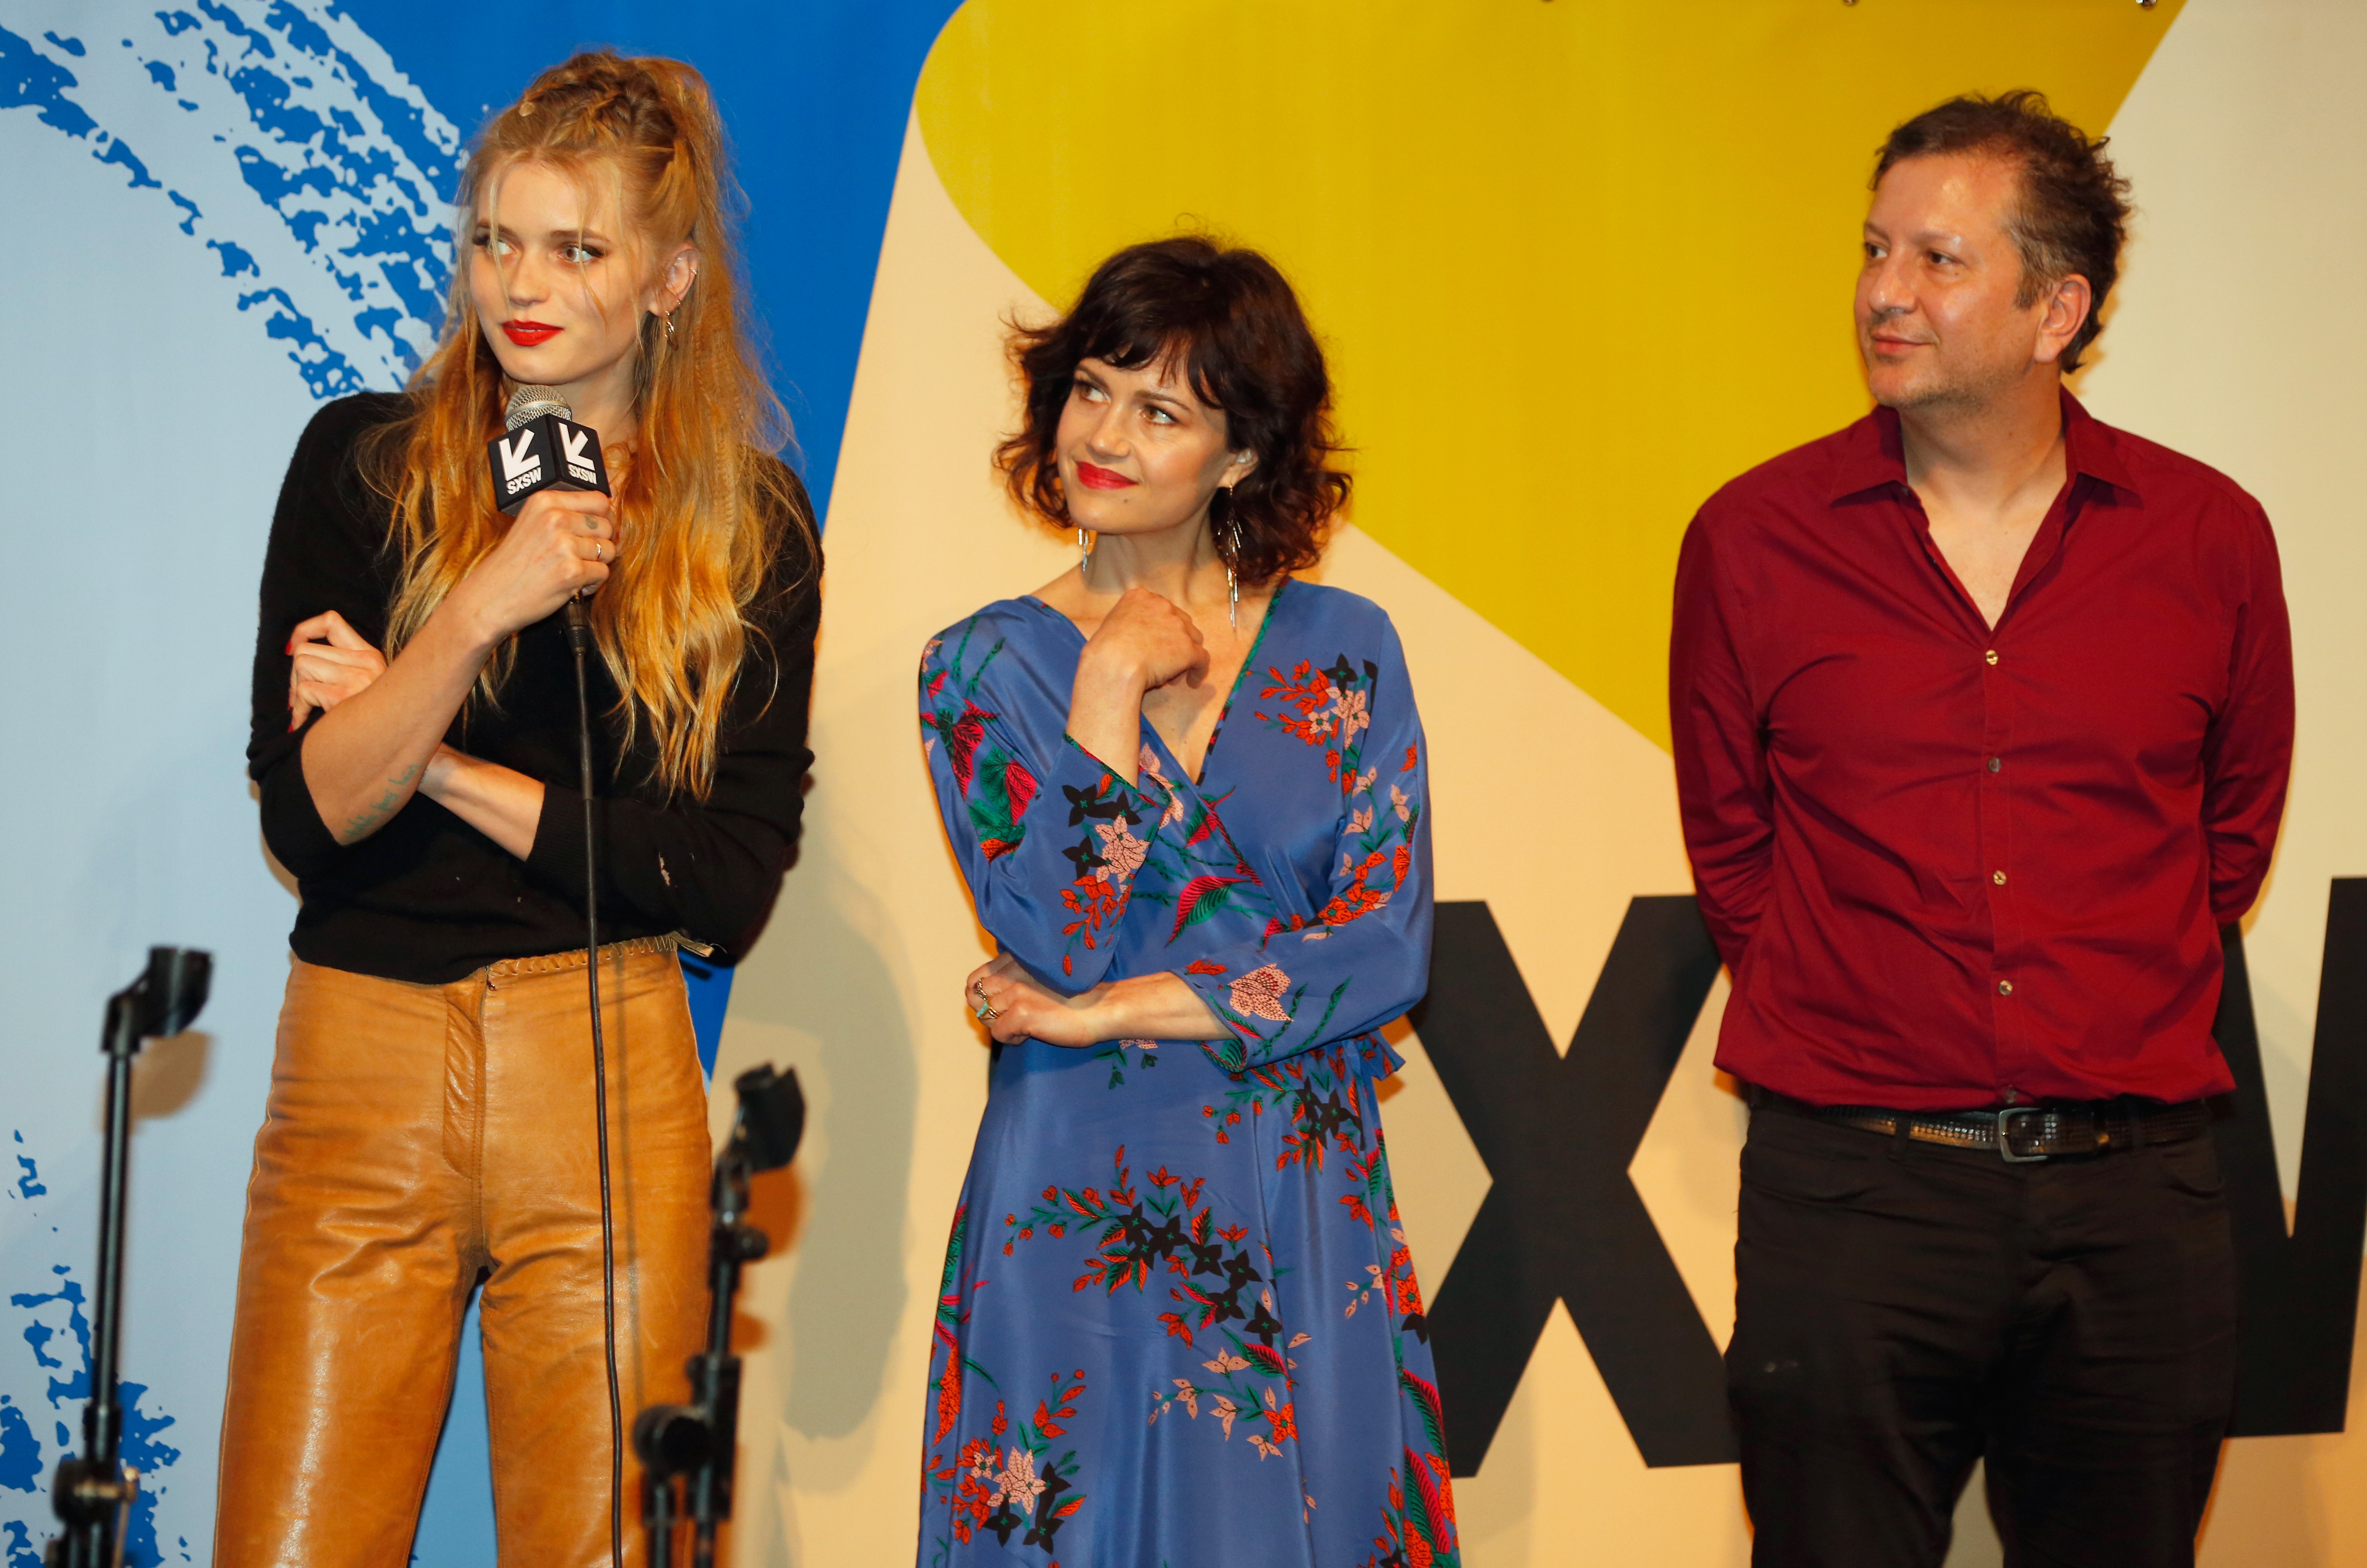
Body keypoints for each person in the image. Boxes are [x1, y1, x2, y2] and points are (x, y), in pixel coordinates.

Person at [1670, 90, 2293, 1567]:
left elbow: (2229, 838)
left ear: (2052, 309)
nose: (1884, 292)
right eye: (1875, 249)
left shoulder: (2207, 538)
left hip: (2137, 1200)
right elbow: (1732, 847)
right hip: (1855, 1196)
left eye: (1938, 260)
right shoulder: (1751, 541)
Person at [218, 51, 819, 1567]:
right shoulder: (356, 462)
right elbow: (311, 817)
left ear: (669, 276)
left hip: (604, 1063)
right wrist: (479, 606)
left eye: (575, 247)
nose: (520, 283)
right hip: (360, 1066)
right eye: (494, 238)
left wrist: (419, 747)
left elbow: (719, 880)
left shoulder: (746, 523)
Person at [913, 237, 1457, 1566]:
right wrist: (1104, 686)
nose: (1102, 434)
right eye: (1090, 389)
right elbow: (1052, 926)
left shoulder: (1344, 649)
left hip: (1298, 1188)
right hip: (1076, 1207)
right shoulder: (979, 666)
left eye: (1159, 411)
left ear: (1240, 454)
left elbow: (1384, 946)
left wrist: (1104, 1015)